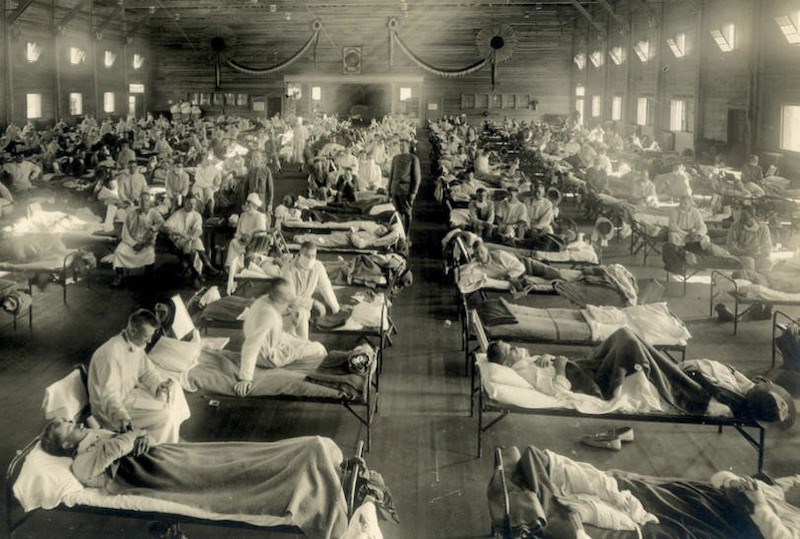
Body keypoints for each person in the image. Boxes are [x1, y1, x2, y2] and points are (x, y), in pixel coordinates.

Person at [39, 421, 350, 539]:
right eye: (66, 426)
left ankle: (312, 454)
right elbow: (120, 445)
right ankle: (309, 468)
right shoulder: (80, 463)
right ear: (66, 445)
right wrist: (132, 435)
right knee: (228, 473)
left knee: (234, 455)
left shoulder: (93, 437)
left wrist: (139, 434)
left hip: (163, 455)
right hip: (154, 472)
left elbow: (128, 437)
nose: (74, 421)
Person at [87, 309, 190, 444]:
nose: (150, 340)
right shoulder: (110, 354)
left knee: (174, 387)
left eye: (151, 335)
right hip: (111, 411)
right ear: (133, 330)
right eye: (147, 336)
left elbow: (147, 371)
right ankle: (164, 448)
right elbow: (109, 396)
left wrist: (159, 385)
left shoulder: (135, 344)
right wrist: (122, 417)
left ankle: (170, 433)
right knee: (165, 415)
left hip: (128, 396)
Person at [234, 278, 328, 397]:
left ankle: (304, 351)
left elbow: (284, 306)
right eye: (287, 302)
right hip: (270, 356)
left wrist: (293, 315)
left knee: (300, 315)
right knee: (319, 348)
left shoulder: (264, 300)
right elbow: (251, 346)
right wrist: (245, 378)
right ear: (282, 300)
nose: (289, 304)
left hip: (276, 340)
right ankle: (323, 377)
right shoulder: (268, 315)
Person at [281, 241, 340, 339]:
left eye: (313, 256)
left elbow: (326, 287)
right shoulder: (288, 269)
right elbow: (290, 297)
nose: (310, 259)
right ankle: (303, 343)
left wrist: (335, 308)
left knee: (313, 313)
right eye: (307, 256)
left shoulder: (318, 266)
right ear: (300, 254)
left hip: (305, 306)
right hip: (288, 306)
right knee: (300, 316)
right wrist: (313, 302)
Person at [162, 194, 218, 288]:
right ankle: (206, 268)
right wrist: (176, 232)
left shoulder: (196, 215)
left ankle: (196, 276)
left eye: (194, 204)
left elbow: (198, 230)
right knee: (196, 246)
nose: (192, 206)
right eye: (189, 204)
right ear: (184, 203)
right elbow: (165, 227)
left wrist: (191, 238)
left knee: (195, 250)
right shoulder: (178, 214)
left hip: (191, 240)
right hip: (179, 241)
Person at [111, 192, 164, 287]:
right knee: (119, 251)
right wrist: (134, 244)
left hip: (146, 242)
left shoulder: (154, 213)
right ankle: (119, 276)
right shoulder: (131, 214)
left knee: (149, 254)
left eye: (146, 200)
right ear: (139, 202)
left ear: (150, 202)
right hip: (131, 241)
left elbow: (161, 222)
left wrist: (153, 228)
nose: (144, 203)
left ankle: (148, 276)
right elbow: (125, 233)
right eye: (142, 200)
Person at [224, 192, 268, 270]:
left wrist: (249, 235)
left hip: (254, 243)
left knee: (242, 247)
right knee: (233, 242)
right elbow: (238, 231)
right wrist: (240, 237)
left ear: (255, 205)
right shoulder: (243, 215)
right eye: (247, 203)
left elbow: (262, 231)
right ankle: (230, 268)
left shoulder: (260, 216)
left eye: (249, 203)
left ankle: (240, 265)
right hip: (242, 241)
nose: (247, 205)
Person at [387, 139, 421, 234]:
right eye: (400, 146)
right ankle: (400, 234)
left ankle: (407, 234)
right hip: (395, 189)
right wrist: (389, 190)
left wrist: (414, 193)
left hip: (406, 190)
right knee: (397, 213)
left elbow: (417, 178)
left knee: (407, 213)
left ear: (408, 147)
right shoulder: (395, 158)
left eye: (403, 146)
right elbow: (391, 175)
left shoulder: (413, 159)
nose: (401, 148)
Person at [726, 208, 773, 273]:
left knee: (768, 262)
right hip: (742, 255)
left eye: (746, 217)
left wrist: (762, 254)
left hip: (758, 255)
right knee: (749, 262)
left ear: (753, 217)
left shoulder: (763, 228)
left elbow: (767, 246)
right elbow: (731, 247)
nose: (742, 219)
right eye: (742, 216)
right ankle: (750, 278)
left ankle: (763, 280)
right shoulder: (735, 227)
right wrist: (746, 253)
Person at [241, 150, 274, 214]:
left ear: (261, 159)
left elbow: (270, 189)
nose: (255, 159)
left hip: (261, 200)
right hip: (251, 199)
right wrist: (243, 202)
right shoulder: (250, 171)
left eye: (257, 157)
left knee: (262, 219)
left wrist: (270, 204)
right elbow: (244, 189)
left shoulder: (267, 171)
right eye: (254, 157)